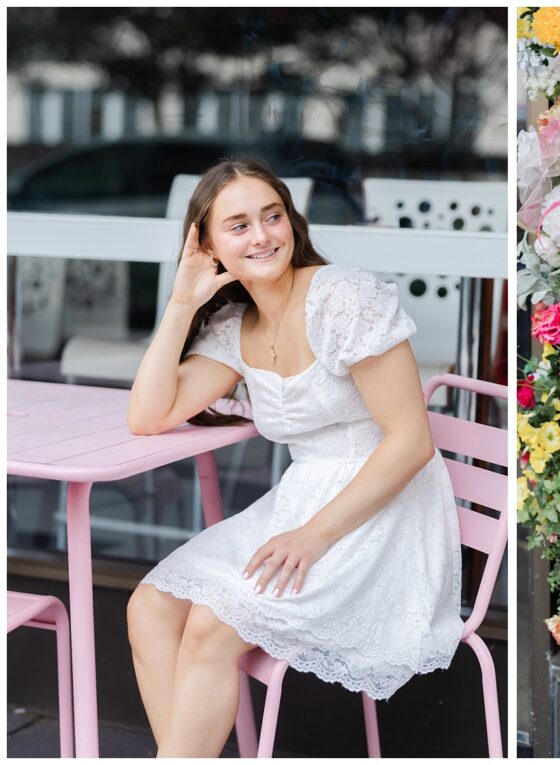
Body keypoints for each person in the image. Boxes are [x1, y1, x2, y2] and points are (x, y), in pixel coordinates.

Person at [125, 159, 463, 757]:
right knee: (148, 607)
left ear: (291, 221)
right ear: (205, 246)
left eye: (271, 216)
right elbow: (149, 416)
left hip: (377, 513)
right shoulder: (236, 325)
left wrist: (313, 536)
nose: (261, 236)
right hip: (298, 503)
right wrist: (181, 303)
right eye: (238, 226)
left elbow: (411, 442)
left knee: (210, 626)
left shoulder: (343, 298)